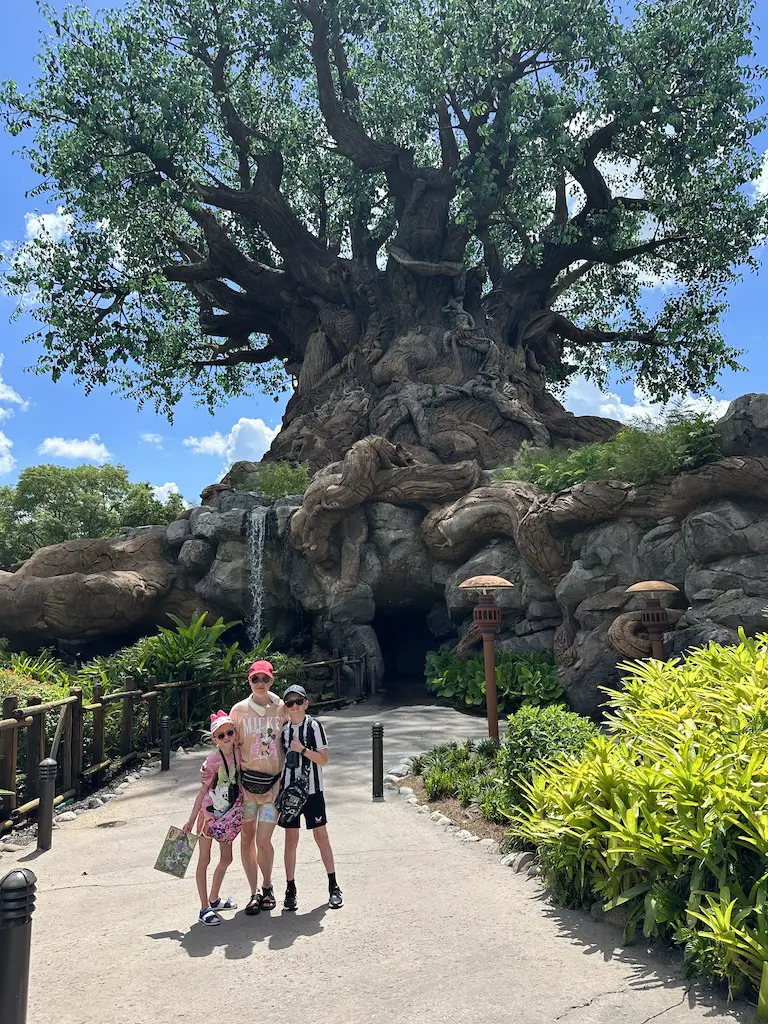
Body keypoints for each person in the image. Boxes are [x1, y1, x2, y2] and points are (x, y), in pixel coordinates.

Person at [278, 684, 343, 911]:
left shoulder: (314, 727)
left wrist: (302, 750)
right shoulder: (284, 731)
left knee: (321, 836)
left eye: (298, 702)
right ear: (285, 707)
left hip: (313, 791)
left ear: (306, 703)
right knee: (290, 840)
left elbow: (324, 760)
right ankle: (290, 889)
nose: (294, 706)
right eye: (289, 703)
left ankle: (333, 885)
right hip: (290, 793)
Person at [229, 660, 287, 915]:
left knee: (264, 840)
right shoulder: (239, 711)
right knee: (246, 840)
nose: (260, 684)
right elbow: (229, 746)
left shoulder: (282, 708)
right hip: (247, 788)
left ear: (272, 680)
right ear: (249, 681)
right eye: (256, 679)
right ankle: (253, 892)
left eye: (265, 679)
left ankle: (267, 885)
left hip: (273, 786)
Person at [183, 711, 241, 926]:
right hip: (209, 816)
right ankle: (203, 907)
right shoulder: (212, 762)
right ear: (214, 739)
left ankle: (214, 898)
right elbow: (202, 792)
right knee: (204, 860)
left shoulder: (238, 754)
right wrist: (191, 820)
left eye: (229, 733)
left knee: (227, 858)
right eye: (220, 736)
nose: (226, 738)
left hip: (228, 816)